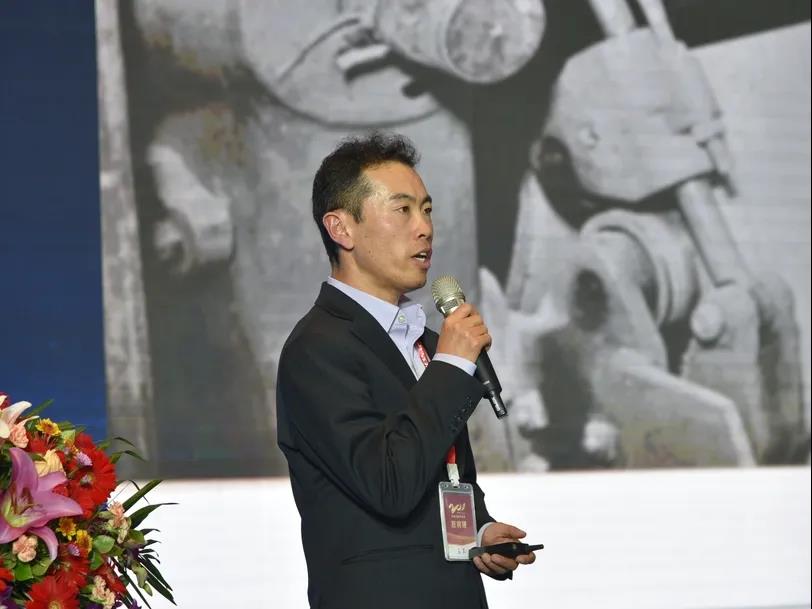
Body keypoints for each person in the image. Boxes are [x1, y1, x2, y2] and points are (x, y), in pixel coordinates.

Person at [276, 132, 536, 608]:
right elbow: (388, 485)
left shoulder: (427, 344)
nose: (425, 228)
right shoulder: (317, 348)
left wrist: (479, 531)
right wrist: (452, 365)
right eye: (403, 210)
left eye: (428, 209)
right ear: (341, 229)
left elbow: (439, 472)